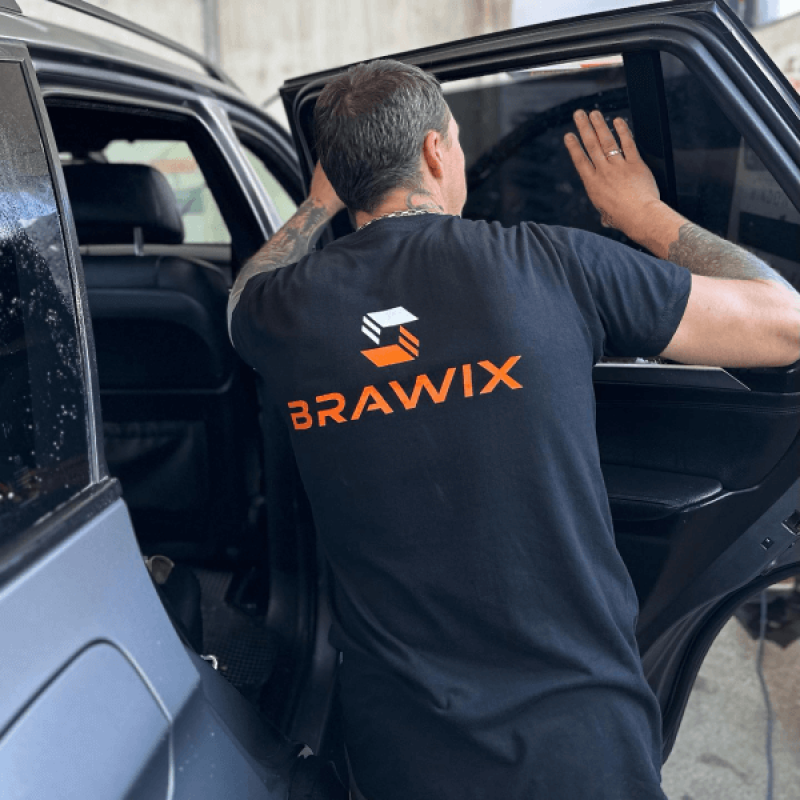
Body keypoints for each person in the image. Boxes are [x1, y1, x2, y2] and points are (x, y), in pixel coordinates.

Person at [228, 60, 799, 800]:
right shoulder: (548, 262)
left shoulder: (283, 311)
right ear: (436, 152)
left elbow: (242, 293)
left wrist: (315, 204)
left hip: (396, 745)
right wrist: (644, 216)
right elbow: (784, 323)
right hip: (575, 740)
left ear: (339, 175)